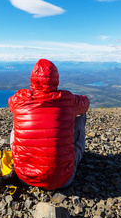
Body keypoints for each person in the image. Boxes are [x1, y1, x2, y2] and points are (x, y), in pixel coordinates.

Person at [8, 59, 90, 190]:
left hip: (25, 177)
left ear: (33, 80)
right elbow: (86, 103)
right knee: (81, 115)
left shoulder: (20, 100)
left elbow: (10, 102)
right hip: (63, 179)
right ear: (56, 80)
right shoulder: (67, 99)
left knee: (19, 118)